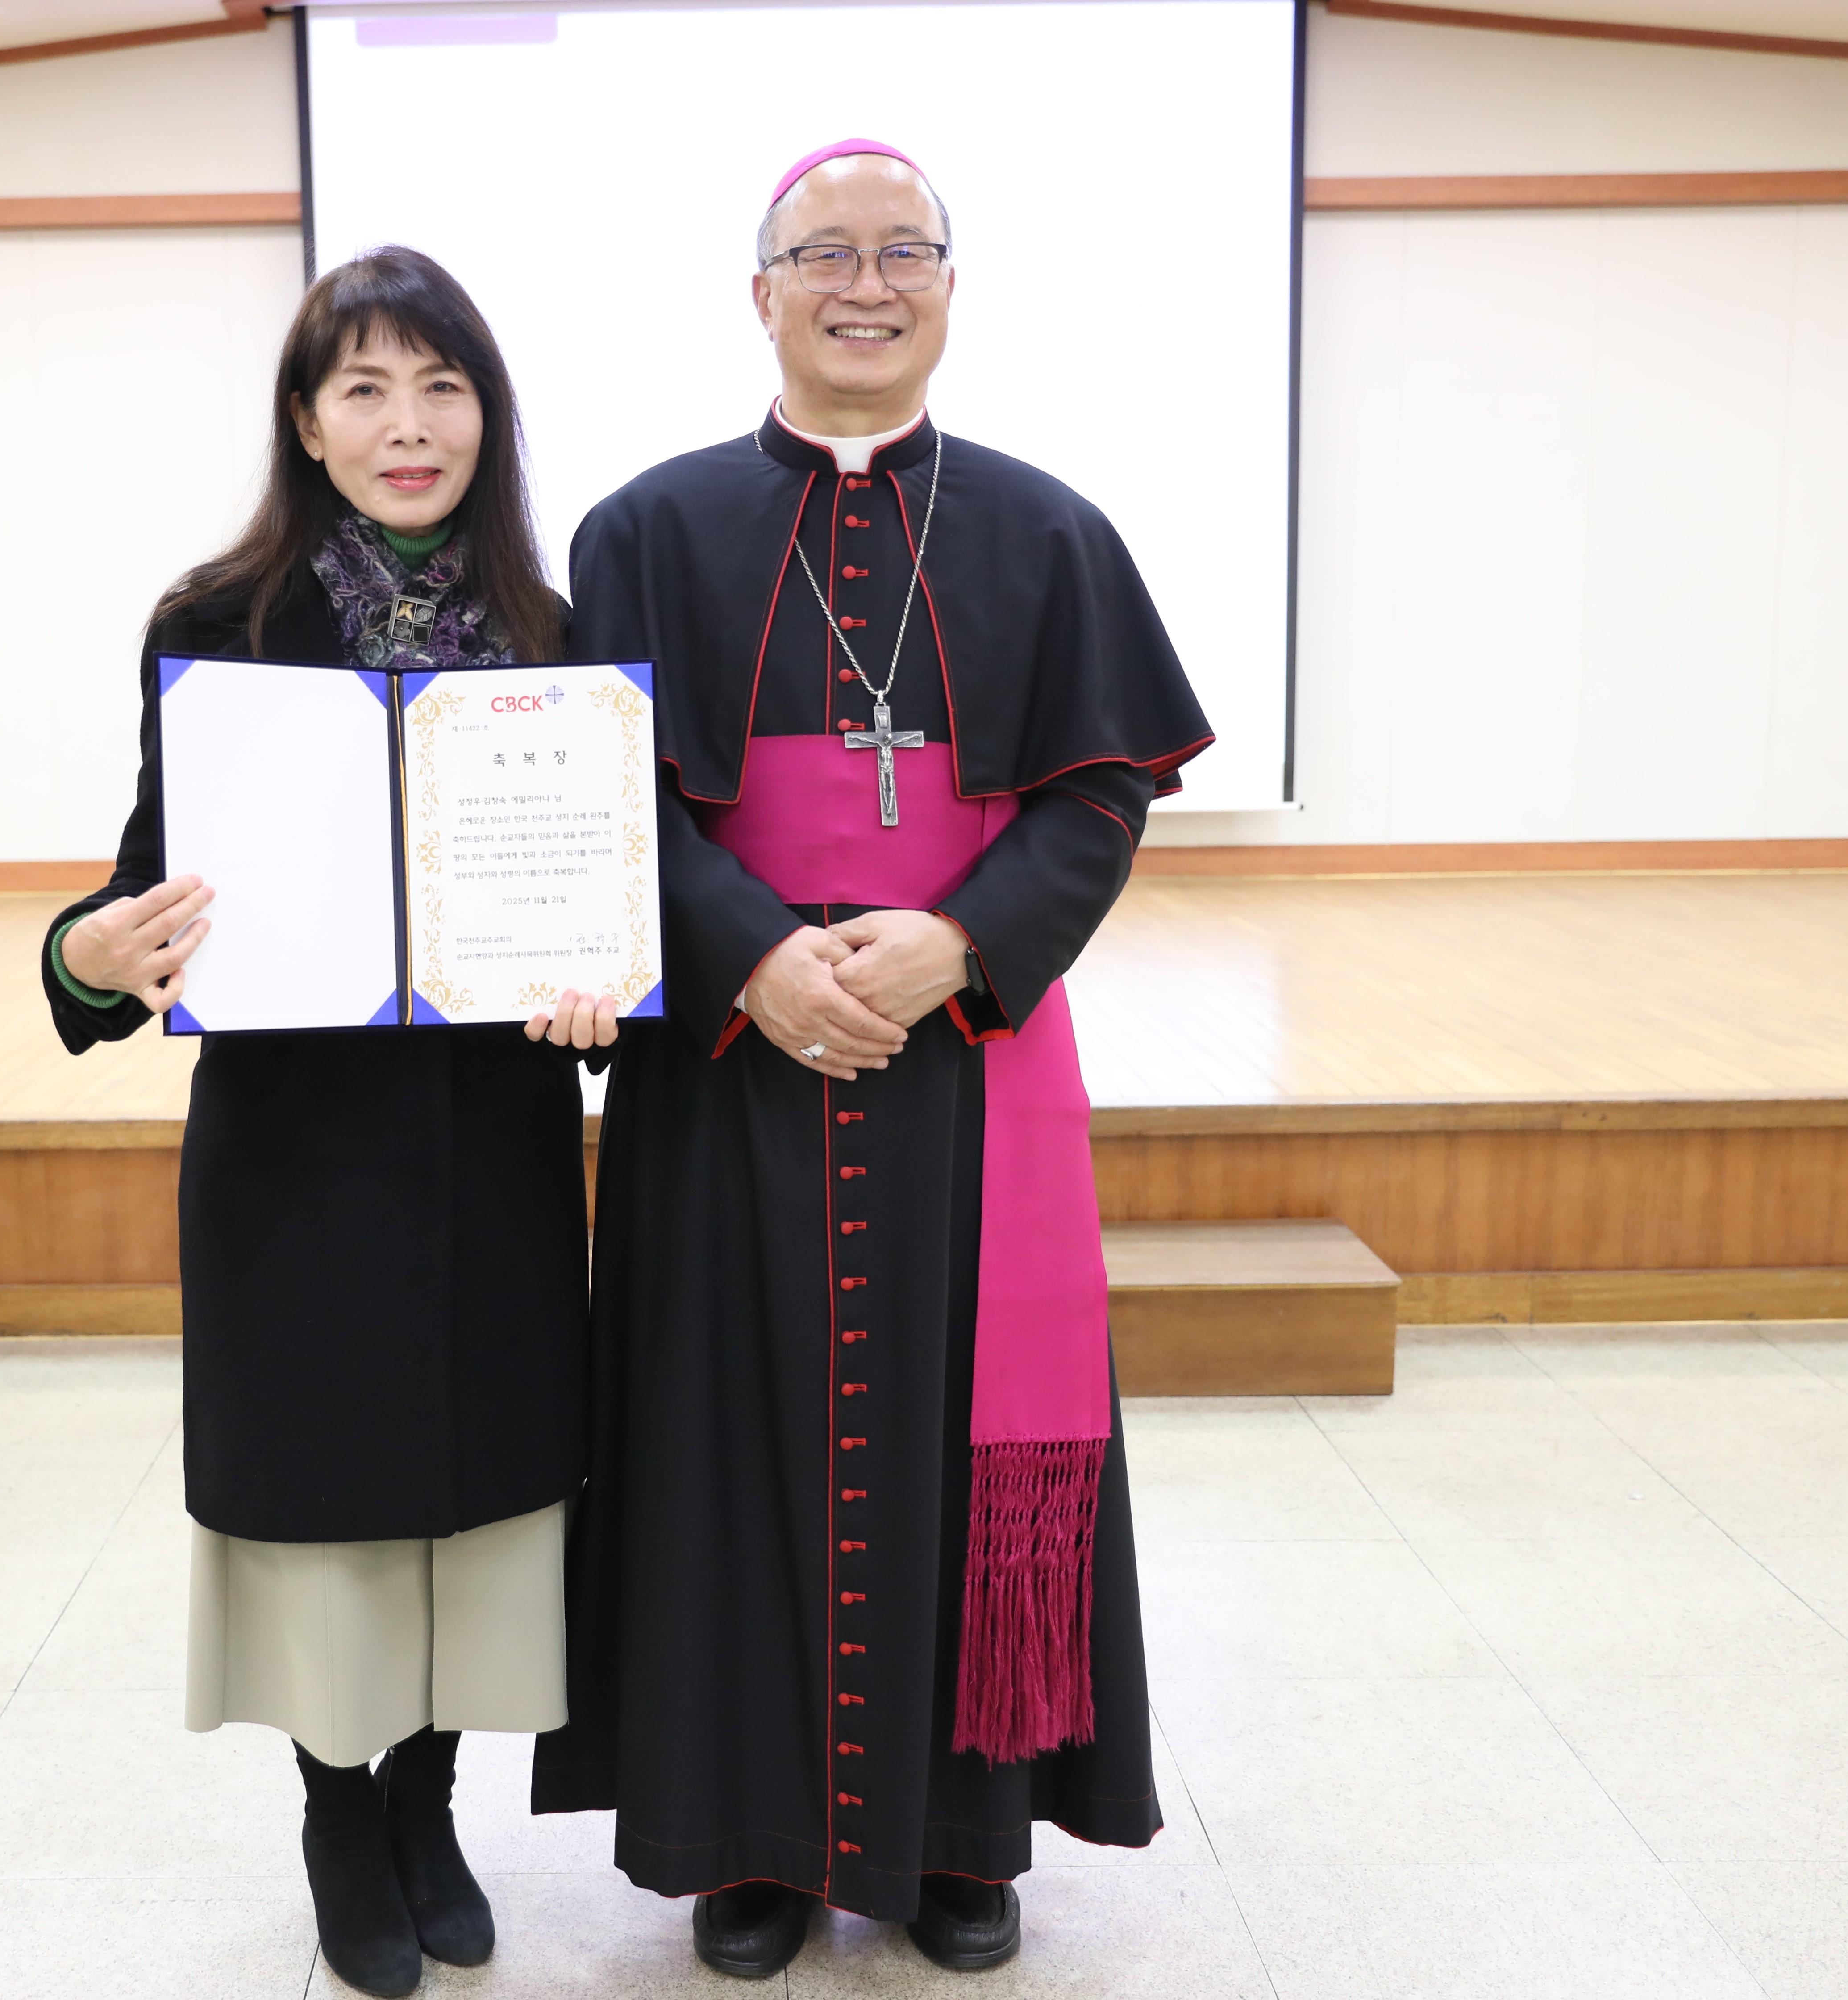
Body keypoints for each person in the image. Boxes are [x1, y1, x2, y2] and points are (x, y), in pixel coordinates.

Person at [531, 141, 1213, 1975]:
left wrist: (955, 944)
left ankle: (962, 1837)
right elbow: (605, 800)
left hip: (964, 1075)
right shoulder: (645, 533)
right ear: (758, 291)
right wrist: (754, 960)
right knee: (715, 1429)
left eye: (899, 249)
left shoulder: (1048, 532)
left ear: (946, 285)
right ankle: (738, 1835)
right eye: (820, 253)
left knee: (960, 1436)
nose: (862, 281)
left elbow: (1096, 797)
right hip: (726, 1069)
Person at [40, 246, 616, 2000]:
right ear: (306, 420)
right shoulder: (217, 622)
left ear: (485, 415)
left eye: (439, 385)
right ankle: (336, 1812)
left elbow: (594, 894)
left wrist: (602, 988)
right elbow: (152, 881)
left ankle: (433, 1805)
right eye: (362, 386)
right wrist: (85, 951)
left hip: (494, 1144)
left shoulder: (552, 633)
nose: (406, 423)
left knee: (473, 1490)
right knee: (327, 1502)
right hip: (296, 1155)